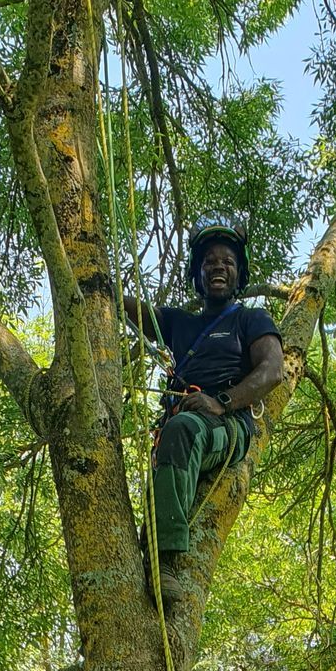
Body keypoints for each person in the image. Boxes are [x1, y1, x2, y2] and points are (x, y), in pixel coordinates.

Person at [123, 215, 284, 609]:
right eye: (209, 261)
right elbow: (138, 313)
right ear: (198, 273)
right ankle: (150, 548)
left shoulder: (250, 319)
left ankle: (166, 560)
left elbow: (272, 369)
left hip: (225, 424)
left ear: (238, 274)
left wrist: (222, 401)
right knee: (175, 440)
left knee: (182, 430)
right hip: (185, 423)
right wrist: (101, 285)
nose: (218, 266)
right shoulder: (180, 323)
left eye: (227, 261)